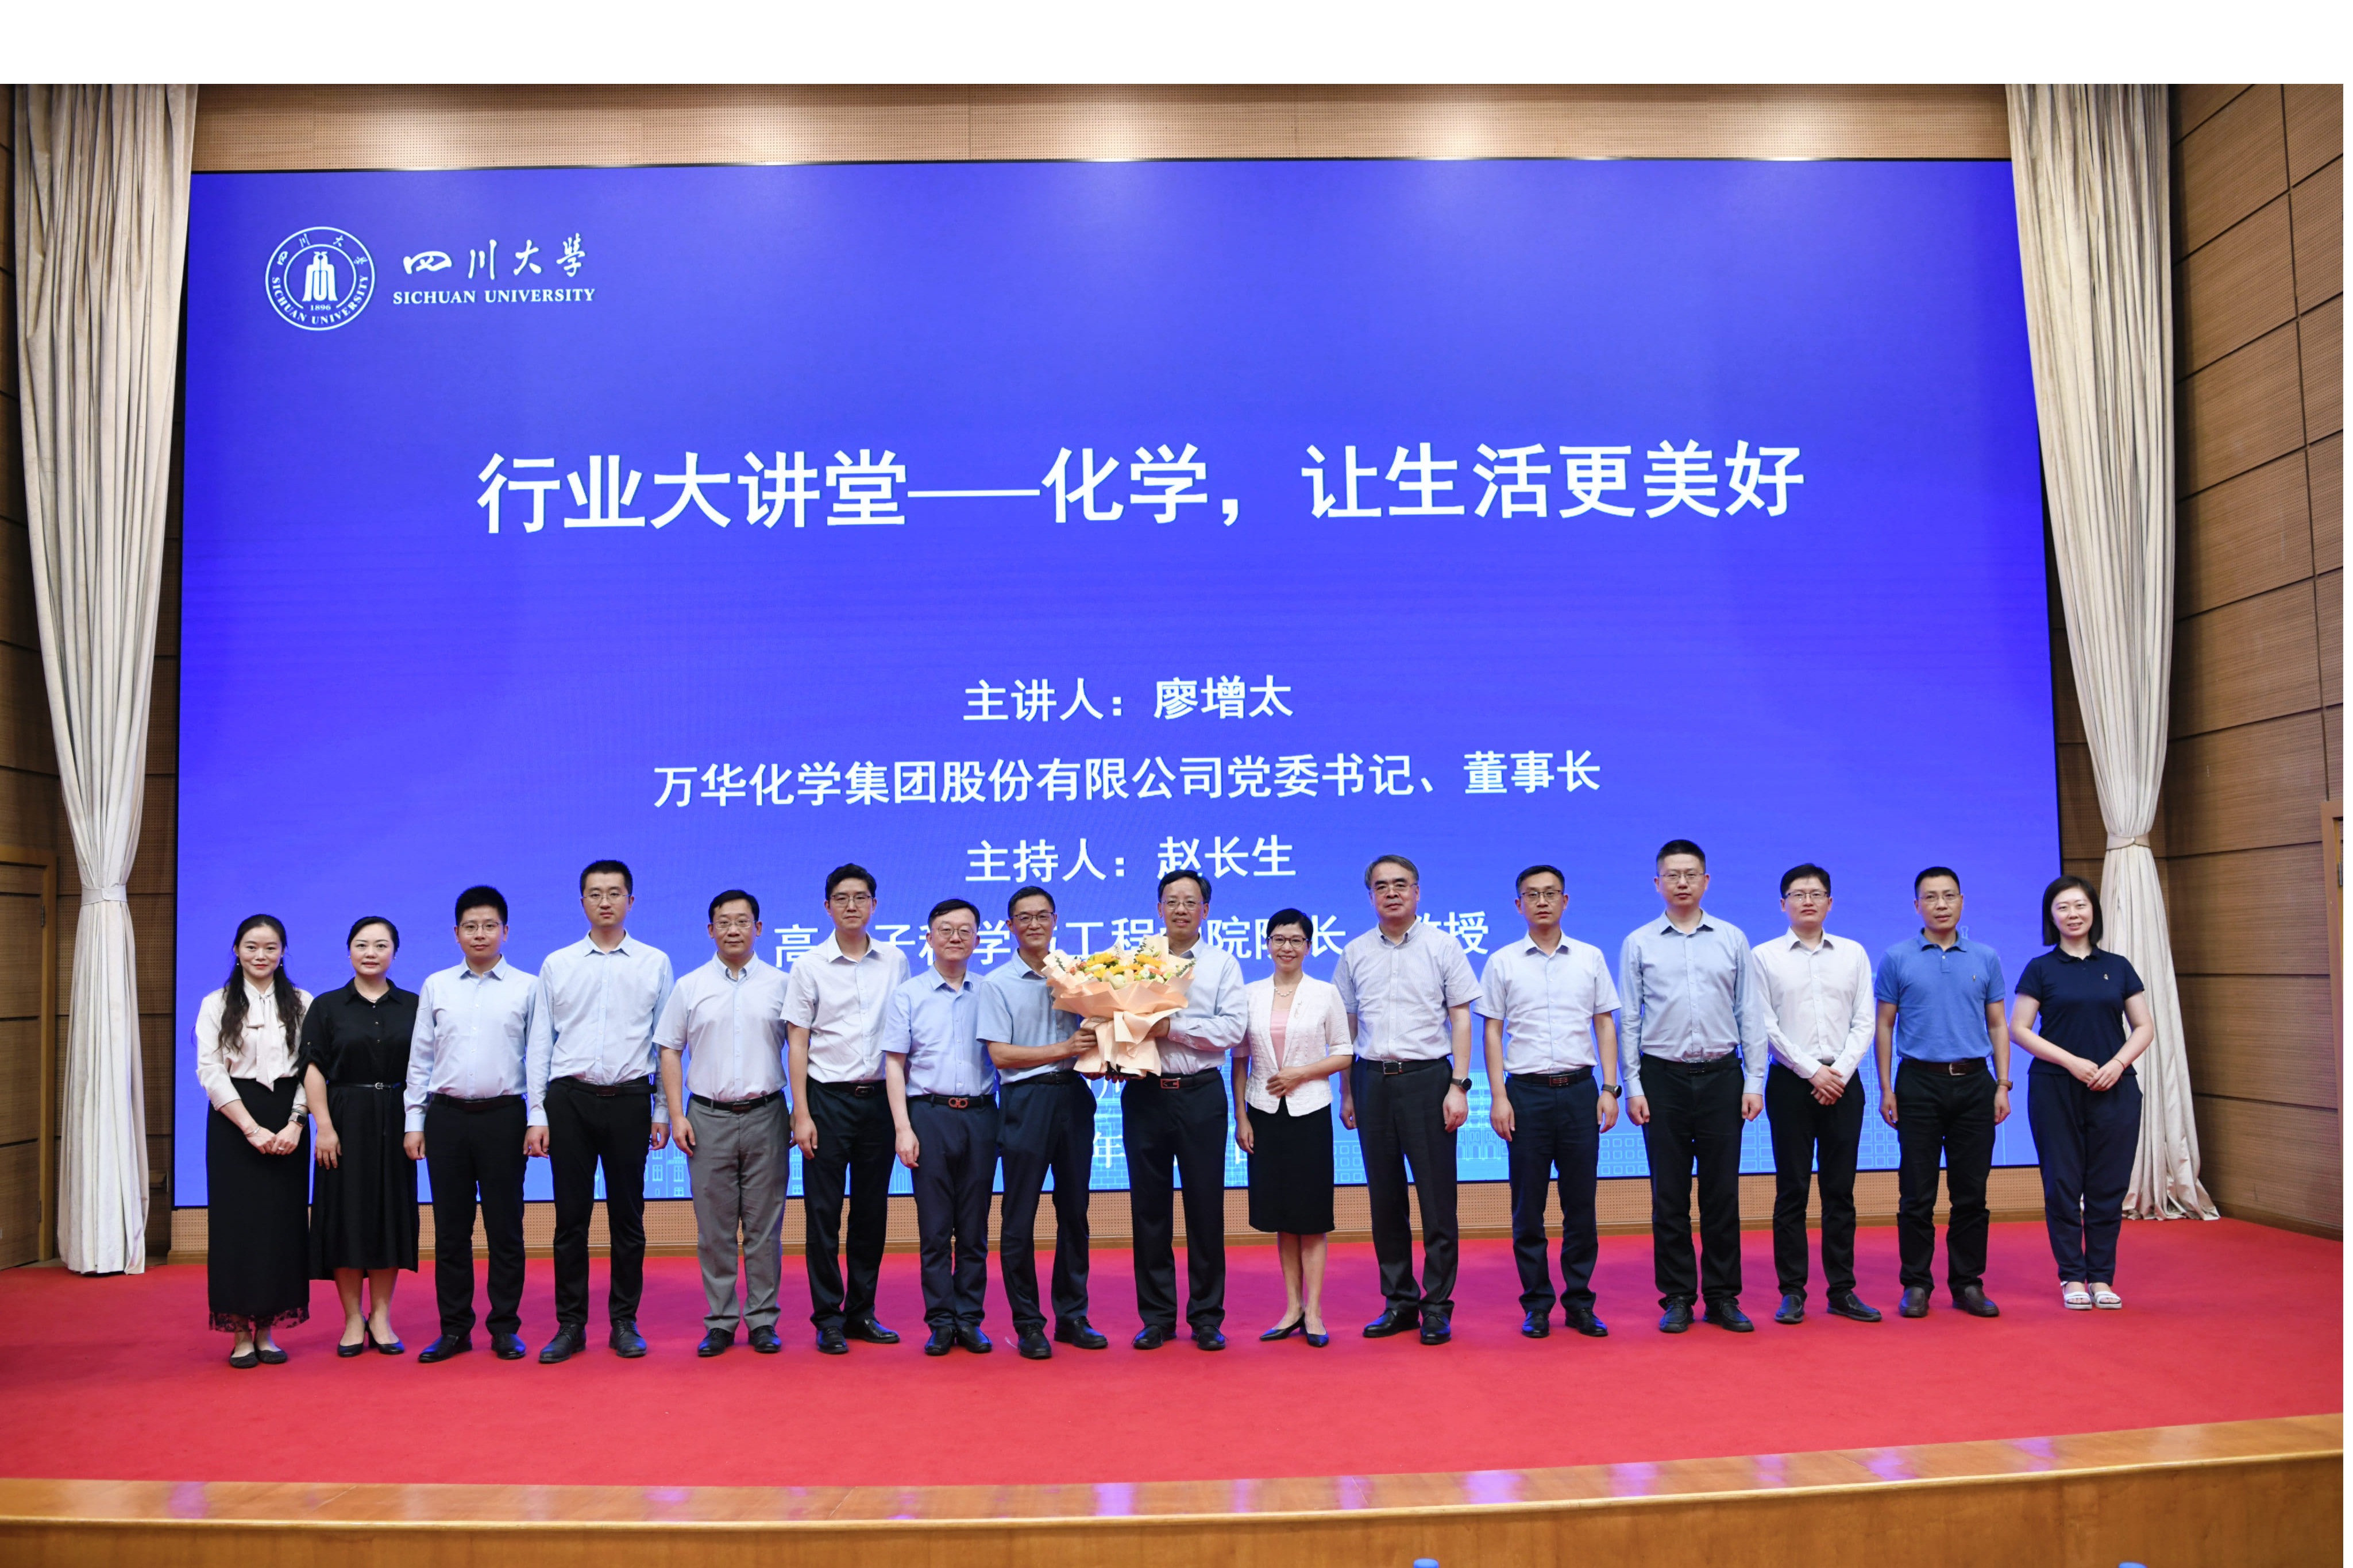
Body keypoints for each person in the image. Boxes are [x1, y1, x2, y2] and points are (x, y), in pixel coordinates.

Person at [1619, 839, 1770, 1335]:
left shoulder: (1731, 938)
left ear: (1706, 881)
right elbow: (1630, 1019)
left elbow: (1750, 1012)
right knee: (1670, 1195)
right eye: (1672, 875)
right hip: (1661, 1078)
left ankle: (1723, 1297)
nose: (1682, 883)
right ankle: (1678, 1296)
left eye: (1691, 874)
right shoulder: (1639, 942)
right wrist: (1633, 1085)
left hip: (1723, 1077)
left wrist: (1754, 1080)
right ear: (1657, 883)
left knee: (1722, 1194)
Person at [529, 859, 674, 1362]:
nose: (605, 901)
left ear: (631, 901)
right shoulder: (558, 963)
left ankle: (624, 1322)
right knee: (571, 1218)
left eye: (615, 893)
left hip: (630, 1100)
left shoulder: (654, 962)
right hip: (569, 1100)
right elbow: (540, 1043)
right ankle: (570, 1325)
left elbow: (665, 1043)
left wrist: (662, 1109)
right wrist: (537, 1113)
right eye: (595, 893)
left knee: (627, 1217)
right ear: (582, 902)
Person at [1335, 854, 1480, 1345]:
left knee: (1437, 1200)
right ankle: (1399, 1301)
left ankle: (1437, 1306)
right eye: (1382, 886)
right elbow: (1347, 1025)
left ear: (1417, 892)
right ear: (1370, 896)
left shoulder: (1443, 946)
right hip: (1372, 1080)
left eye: (1401, 884)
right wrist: (1347, 1090)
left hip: (1428, 1080)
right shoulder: (1355, 952)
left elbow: (1461, 1018)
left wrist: (1459, 1085)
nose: (1392, 893)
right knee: (1385, 1199)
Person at [1476, 866, 1621, 1341]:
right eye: (1532, 895)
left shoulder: (1590, 957)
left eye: (1551, 893)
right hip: (1526, 1094)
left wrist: (1610, 1088)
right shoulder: (1502, 962)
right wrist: (1499, 1097)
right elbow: (1492, 1031)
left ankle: (1580, 1303)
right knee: (1528, 1207)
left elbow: (1605, 1023)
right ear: (1518, 905)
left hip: (1580, 1091)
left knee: (1581, 1206)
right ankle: (1537, 1304)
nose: (1542, 902)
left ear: (1565, 901)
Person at [657, 889, 792, 1357]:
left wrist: (802, 1111)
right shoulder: (689, 986)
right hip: (707, 1117)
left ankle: (763, 1320)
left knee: (764, 1228)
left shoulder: (782, 984)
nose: (734, 930)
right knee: (714, 1230)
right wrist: (676, 1114)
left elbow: (801, 1049)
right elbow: (669, 1050)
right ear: (710, 930)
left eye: (743, 921)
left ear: (759, 928)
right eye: (724, 922)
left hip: (767, 1115)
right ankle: (720, 1321)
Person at [405, 886, 537, 1363]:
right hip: (446, 1118)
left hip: (505, 1117)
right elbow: (421, 1058)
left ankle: (504, 1328)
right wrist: (414, 1120)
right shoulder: (437, 985)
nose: (480, 934)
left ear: (506, 931)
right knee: (450, 1231)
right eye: (470, 926)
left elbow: (538, 1058)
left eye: (489, 926)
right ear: (456, 933)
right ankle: (455, 1329)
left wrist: (538, 1118)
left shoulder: (528, 986)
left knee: (506, 1228)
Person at [1874, 866, 2011, 1320]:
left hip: (1975, 1083)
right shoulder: (1897, 957)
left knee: (1971, 1193)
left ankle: (1968, 1283)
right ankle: (1916, 1283)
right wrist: (1887, 1087)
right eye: (1930, 897)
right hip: (1918, 1083)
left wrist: (2003, 1084)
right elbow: (1885, 1025)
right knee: (1917, 1193)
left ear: (1962, 902)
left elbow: (1998, 1025)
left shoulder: (1985, 957)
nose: (1940, 905)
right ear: (1917, 906)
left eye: (1949, 896)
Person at [2010, 875, 2153, 1311]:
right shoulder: (2040, 968)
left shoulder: (2119, 966)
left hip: (2115, 1088)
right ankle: (2072, 1276)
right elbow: (2019, 1029)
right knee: (2062, 1184)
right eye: (2063, 908)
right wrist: (2071, 1062)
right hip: (2056, 1089)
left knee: (2108, 1186)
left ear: (2094, 911)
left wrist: (2118, 1064)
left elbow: (2144, 1027)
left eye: (2080, 906)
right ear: (2051, 917)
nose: (2073, 914)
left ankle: (2102, 1278)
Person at [784, 863, 910, 1354]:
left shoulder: (895, 961)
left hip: (878, 1101)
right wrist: (801, 1113)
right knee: (823, 1213)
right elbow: (798, 1042)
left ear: (874, 905)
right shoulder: (809, 965)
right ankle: (827, 1318)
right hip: (827, 1100)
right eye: (842, 898)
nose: (852, 906)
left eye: (860, 898)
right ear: (827, 907)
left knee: (871, 1212)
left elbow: (904, 1036)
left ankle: (862, 1312)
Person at [1752, 864, 1881, 1327]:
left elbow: (1865, 1020)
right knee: (1792, 1190)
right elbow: (1764, 1025)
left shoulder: (1853, 953)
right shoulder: (1764, 956)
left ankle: (1842, 1290)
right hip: (1791, 1082)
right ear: (1782, 903)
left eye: (1816, 894)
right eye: (1798, 894)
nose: (1807, 901)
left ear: (1830, 902)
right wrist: (1812, 1071)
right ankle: (1792, 1292)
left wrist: (1838, 1072)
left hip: (1844, 1083)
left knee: (1840, 1191)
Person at [1123, 868, 1247, 1351]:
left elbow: (1232, 1030)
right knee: (1148, 1209)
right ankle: (1156, 1317)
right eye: (1172, 901)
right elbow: (1116, 1020)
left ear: (1205, 911)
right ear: (1159, 908)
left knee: (1205, 1206)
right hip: (1146, 1094)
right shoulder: (1135, 961)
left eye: (1190, 901)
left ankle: (1207, 1317)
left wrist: (1171, 1028)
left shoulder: (1222, 964)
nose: (1180, 909)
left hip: (1200, 1094)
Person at [979, 885, 1103, 1360]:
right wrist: (1063, 1050)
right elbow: (1000, 1055)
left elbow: (1099, 1035)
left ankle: (1073, 1316)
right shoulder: (997, 983)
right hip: (1025, 1100)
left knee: (1075, 1211)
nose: (1034, 924)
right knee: (1019, 1215)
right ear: (1010, 926)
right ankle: (1029, 1322)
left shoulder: (1078, 976)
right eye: (1024, 918)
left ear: (1055, 921)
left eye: (1042, 916)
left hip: (1073, 1097)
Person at [882, 899, 1000, 1355]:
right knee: (934, 1229)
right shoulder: (908, 995)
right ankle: (941, 1322)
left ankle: (969, 1319)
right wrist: (903, 1128)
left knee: (974, 1228)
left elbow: (1003, 1060)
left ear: (977, 940)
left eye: (965, 930)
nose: (955, 937)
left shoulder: (990, 991)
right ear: (929, 937)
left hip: (980, 1115)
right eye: (946, 929)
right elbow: (895, 1065)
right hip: (928, 1115)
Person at [196, 916, 314, 1366]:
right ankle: (240, 1334)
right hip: (234, 1120)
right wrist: (250, 1128)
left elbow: (313, 1069)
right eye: (251, 947)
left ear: (283, 952)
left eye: (270, 948)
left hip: (288, 1119)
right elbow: (210, 1071)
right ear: (237, 950)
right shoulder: (216, 1003)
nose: (260, 955)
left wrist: (295, 1123)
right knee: (236, 1227)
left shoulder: (303, 1003)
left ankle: (267, 1331)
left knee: (281, 1226)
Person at [300, 916, 420, 1356]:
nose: (371, 953)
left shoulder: (413, 1005)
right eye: (362, 944)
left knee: (390, 1216)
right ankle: (353, 1319)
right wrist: (325, 1127)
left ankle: (382, 1317)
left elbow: (424, 1069)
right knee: (345, 1217)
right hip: (344, 1119)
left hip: (396, 1116)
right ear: (349, 951)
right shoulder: (327, 1006)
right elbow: (312, 1069)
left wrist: (417, 1124)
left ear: (394, 952)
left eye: (381, 945)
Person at [1234, 907, 1352, 1347]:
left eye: (1296, 940)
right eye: (1279, 939)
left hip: (1310, 1112)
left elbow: (1344, 1052)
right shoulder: (1250, 994)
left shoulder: (1325, 993)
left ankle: (1315, 1311)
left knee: (1311, 1216)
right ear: (1267, 944)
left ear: (1309, 946)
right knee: (1282, 1216)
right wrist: (1241, 1116)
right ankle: (1292, 1308)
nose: (1287, 947)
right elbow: (1240, 1060)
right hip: (1264, 1114)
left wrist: (1302, 1073)